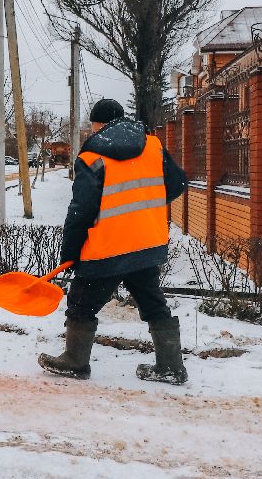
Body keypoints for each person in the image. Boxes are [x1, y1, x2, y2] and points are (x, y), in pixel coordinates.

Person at [39, 98, 189, 385]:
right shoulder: (153, 146)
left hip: (107, 248)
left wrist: (69, 252)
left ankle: (75, 361)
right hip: (146, 242)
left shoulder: (91, 156)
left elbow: (81, 210)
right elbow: (178, 183)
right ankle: (171, 366)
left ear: (98, 125)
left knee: (82, 304)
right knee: (153, 303)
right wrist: (146, 205)